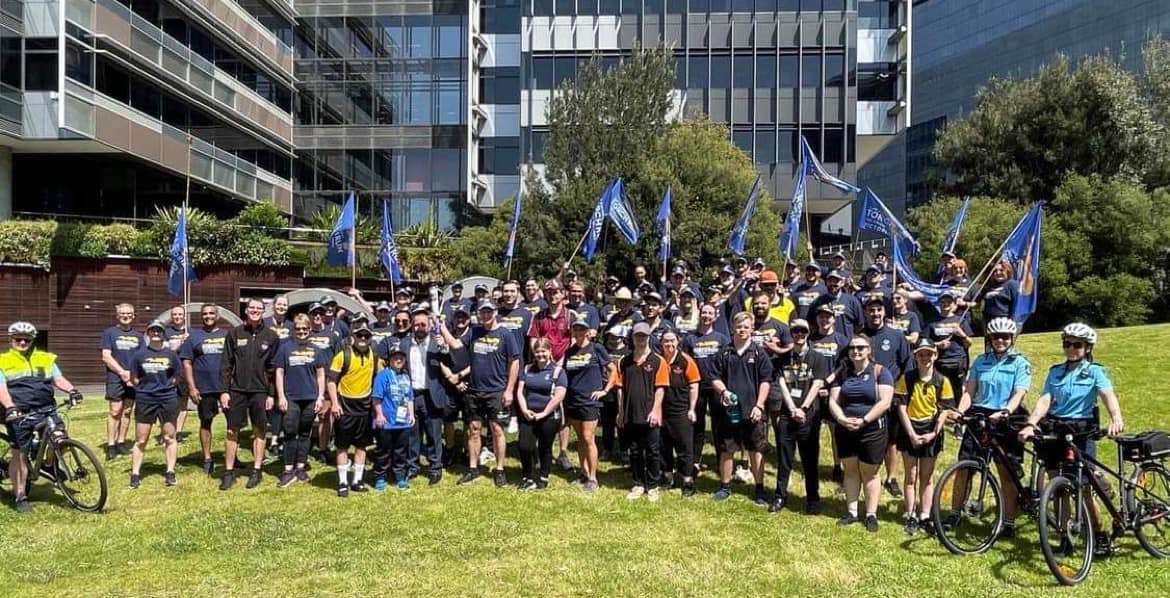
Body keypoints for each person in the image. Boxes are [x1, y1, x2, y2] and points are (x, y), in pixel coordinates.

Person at [1019, 323, 1124, 556]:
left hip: (1081, 432)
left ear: (1087, 348)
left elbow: (1108, 395)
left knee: (1084, 488)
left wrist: (1116, 418)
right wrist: (1030, 423)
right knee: (1058, 488)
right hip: (1056, 430)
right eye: (1067, 344)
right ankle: (1064, 536)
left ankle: (1099, 535)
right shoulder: (1055, 371)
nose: (1071, 349)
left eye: (1077, 345)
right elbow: (1045, 400)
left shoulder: (1095, 371)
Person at [948, 317, 1032, 538]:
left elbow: (1019, 392)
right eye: (996, 336)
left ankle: (1008, 522)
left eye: (1005, 337)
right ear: (990, 338)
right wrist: (959, 411)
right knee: (964, 468)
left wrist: (1006, 411)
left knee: (1006, 472)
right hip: (979, 415)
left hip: (1006, 418)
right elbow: (969, 391)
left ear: (1012, 339)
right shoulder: (980, 361)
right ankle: (955, 513)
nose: (1000, 340)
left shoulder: (1020, 363)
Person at [0, 322, 83, 513]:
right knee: (19, 455)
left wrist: (72, 390)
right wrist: (10, 407)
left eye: (26, 339)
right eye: (18, 339)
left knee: (62, 440)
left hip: (47, 408)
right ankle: (20, 496)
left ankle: (48, 464)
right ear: (10, 339)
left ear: (32, 339)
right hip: (20, 413)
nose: (22, 342)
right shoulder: (3, 360)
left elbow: (58, 378)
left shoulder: (45, 358)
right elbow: (2, 388)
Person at [438, 300, 520, 488]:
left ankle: (499, 470)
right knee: (473, 430)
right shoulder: (474, 331)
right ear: (479, 314)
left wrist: (509, 390)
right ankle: (473, 468)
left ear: (495, 312)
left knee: (497, 431)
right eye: (483, 312)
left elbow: (514, 362)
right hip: (474, 392)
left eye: (489, 311)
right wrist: (441, 325)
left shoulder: (505, 334)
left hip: (496, 391)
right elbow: (456, 345)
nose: (486, 315)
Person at [828, 335, 894, 532]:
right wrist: (841, 419)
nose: (856, 351)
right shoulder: (842, 374)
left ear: (869, 350)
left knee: (870, 472)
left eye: (861, 347)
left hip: (872, 430)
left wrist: (865, 420)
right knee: (850, 470)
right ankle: (852, 511)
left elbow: (885, 401)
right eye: (852, 348)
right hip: (846, 429)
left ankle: (871, 514)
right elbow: (833, 401)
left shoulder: (881, 372)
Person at [709, 312, 773, 504]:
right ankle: (725, 487)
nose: (742, 330)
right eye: (739, 326)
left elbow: (766, 381)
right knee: (727, 449)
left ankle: (759, 489)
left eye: (746, 326)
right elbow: (714, 377)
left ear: (752, 329)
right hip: (729, 412)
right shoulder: (724, 352)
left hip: (752, 411)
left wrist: (759, 405)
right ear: (732, 328)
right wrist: (724, 392)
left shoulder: (758, 353)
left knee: (755, 450)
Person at [218, 298, 280, 491]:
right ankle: (228, 473)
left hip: (260, 392)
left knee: (259, 430)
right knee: (231, 430)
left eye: (259, 308)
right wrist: (224, 391)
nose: (255, 311)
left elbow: (273, 368)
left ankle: (256, 470)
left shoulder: (271, 336)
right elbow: (226, 365)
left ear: (264, 311)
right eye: (252, 308)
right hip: (237, 390)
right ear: (246, 310)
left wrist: (271, 394)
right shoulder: (235, 334)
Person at [769, 318, 830, 514]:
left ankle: (813, 499)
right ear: (792, 334)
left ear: (808, 333)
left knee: (809, 460)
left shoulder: (818, 358)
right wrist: (792, 409)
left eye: (803, 331)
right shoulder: (782, 359)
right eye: (795, 332)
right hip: (788, 415)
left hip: (809, 416)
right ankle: (780, 496)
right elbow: (782, 385)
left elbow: (817, 384)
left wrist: (803, 408)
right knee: (784, 458)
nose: (799, 335)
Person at [894, 339, 954, 536]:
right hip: (910, 428)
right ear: (915, 356)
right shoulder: (907, 378)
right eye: (921, 354)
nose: (925, 358)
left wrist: (934, 433)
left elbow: (945, 408)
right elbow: (901, 406)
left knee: (926, 477)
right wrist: (911, 433)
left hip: (931, 430)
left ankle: (925, 515)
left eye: (929, 354)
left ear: (935, 355)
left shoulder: (942, 381)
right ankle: (911, 514)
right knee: (910, 476)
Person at [860, 297, 912, 499]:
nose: (875, 314)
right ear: (866, 312)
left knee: (891, 441)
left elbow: (907, 365)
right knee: (864, 439)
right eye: (871, 310)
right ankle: (863, 477)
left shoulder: (897, 336)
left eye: (879, 310)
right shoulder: (861, 337)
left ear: (884, 312)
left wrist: (897, 391)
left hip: (890, 398)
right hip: (864, 397)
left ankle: (891, 479)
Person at [562, 313, 615, 492]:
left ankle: (593, 477)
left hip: (590, 401)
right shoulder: (569, 352)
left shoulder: (596, 348)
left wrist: (605, 390)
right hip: (573, 400)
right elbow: (563, 374)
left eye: (581, 329)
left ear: (587, 332)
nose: (578, 331)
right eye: (575, 328)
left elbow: (612, 369)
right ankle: (584, 472)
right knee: (580, 439)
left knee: (588, 438)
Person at [326, 321, 380, 497]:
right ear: (353, 337)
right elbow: (331, 381)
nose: (363, 338)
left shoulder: (375, 356)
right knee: (342, 447)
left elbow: (379, 379)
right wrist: (334, 403)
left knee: (362, 446)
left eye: (366, 336)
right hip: (345, 407)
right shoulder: (343, 355)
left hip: (364, 408)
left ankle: (357, 480)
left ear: (370, 338)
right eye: (359, 335)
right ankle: (342, 481)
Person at [274, 314, 327, 487]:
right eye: (298, 329)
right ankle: (288, 469)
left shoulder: (316, 350)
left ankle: (301, 467)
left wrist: (320, 397)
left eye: (305, 329)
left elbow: (320, 374)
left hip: (311, 398)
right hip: (291, 398)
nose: (301, 332)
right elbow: (279, 373)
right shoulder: (285, 348)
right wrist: (281, 396)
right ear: (294, 330)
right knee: (290, 432)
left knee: (305, 433)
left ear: (309, 329)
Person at [127, 322, 182, 488]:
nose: (156, 333)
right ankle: (135, 474)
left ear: (163, 334)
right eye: (153, 330)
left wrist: (164, 388)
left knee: (169, 437)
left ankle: (170, 472)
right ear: (148, 333)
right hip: (145, 399)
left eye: (159, 330)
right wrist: (145, 389)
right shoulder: (139, 355)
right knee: (141, 439)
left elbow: (177, 377)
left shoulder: (171, 355)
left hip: (167, 399)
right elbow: (134, 378)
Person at [615, 323, 665, 502]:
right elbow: (620, 388)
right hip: (630, 413)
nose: (641, 339)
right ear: (633, 338)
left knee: (652, 451)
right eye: (638, 336)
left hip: (650, 414)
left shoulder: (658, 361)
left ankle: (652, 486)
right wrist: (621, 412)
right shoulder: (624, 361)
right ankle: (637, 484)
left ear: (649, 337)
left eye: (644, 336)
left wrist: (656, 411)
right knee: (634, 451)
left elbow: (660, 389)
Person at [399, 309, 448, 485]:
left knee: (434, 434)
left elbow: (452, 360)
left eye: (423, 324)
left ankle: (435, 468)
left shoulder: (437, 343)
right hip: (412, 395)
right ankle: (413, 467)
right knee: (412, 434)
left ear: (429, 326)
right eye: (416, 324)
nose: (419, 327)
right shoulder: (405, 344)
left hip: (431, 394)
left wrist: (445, 347)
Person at [179, 304, 228, 476]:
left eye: (211, 313)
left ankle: (231, 456)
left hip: (226, 387)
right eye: (205, 314)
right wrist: (192, 387)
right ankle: (207, 458)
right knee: (206, 422)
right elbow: (186, 362)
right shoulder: (194, 336)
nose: (208, 316)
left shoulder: (227, 335)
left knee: (233, 424)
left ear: (218, 315)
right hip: (204, 387)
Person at [683, 303, 730, 479]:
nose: (707, 316)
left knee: (719, 426)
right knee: (697, 426)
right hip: (697, 388)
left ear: (715, 316)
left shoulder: (722, 339)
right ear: (699, 315)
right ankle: (694, 462)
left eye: (710, 313)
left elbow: (726, 364)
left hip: (717, 388)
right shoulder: (690, 339)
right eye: (704, 313)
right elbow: (685, 363)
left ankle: (721, 462)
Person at [515, 338, 567, 490]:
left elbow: (559, 396)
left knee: (545, 447)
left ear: (550, 352)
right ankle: (527, 477)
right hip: (528, 414)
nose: (540, 355)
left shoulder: (558, 371)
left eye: (544, 351)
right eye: (537, 352)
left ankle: (544, 476)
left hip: (549, 416)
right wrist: (524, 410)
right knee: (524, 446)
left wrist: (543, 413)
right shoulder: (527, 369)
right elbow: (519, 391)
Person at [657, 331, 701, 496]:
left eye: (672, 340)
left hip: (681, 409)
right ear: (661, 342)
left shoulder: (686, 360)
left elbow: (694, 385)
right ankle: (667, 477)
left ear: (678, 341)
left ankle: (688, 480)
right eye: (665, 340)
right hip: (662, 410)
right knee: (663, 445)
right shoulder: (659, 360)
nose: (669, 343)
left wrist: (691, 409)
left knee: (684, 446)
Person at [100, 303, 142, 460]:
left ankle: (121, 442)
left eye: (129, 314)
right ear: (117, 315)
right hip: (115, 377)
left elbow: (141, 358)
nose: (126, 316)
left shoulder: (139, 336)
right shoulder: (109, 333)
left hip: (132, 379)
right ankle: (110, 445)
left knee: (127, 411)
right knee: (115, 411)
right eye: (123, 313)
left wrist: (133, 376)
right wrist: (122, 372)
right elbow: (106, 356)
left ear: (133, 316)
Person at [371, 343, 415, 491]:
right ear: (389, 360)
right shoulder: (382, 376)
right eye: (395, 357)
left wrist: (412, 414)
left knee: (401, 451)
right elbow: (377, 398)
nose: (398, 360)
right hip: (387, 421)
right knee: (383, 451)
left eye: (401, 357)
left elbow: (409, 397)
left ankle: (400, 477)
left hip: (403, 422)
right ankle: (380, 477)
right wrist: (379, 415)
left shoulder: (406, 376)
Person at [926, 290, 974, 405]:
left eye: (949, 301)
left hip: (958, 361)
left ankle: (959, 413)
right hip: (940, 362)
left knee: (959, 390)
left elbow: (969, 343)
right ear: (939, 303)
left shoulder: (961, 320)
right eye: (943, 301)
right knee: (941, 389)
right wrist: (938, 344)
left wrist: (962, 334)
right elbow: (924, 341)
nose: (946, 304)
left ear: (954, 304)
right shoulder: (932, 322)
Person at [162, 306, 192, 445]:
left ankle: (178, 431)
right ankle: (167, 431)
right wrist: (180, 341)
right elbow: (167, 349)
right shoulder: (166, 332)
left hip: (185, 371)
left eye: (180, 314)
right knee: (168, 403)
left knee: (183, 403)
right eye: (175, 314)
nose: (178, 317)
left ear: (184, 316)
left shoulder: (190, 332)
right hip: (169, 371)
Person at [599, 324, 629, 463]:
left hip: (623, 390)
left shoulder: (628, 352)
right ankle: (607, 448)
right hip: (607, 389)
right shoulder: (604, 350)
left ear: (622, 337)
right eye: (610, 336)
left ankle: (624, 449)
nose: (612, 339)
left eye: (615, 337)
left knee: (622, 421)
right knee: (607, 421)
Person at [810, 270, 863, 338]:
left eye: (836, 281)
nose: (832, 284)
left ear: (842, 283)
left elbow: (860, 325)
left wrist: (849, 336)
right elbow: (811, 323)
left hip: (846, 345)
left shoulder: (852, 300)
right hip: (824, 344)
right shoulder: (818, 301)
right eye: (830, 281)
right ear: (826, 282)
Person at [978, 260, 1021, 327]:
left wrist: (1012, 322)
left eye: (1001, 270)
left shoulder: (1012, 284)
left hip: (1005, 321)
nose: (998, 273)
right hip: (988, 321)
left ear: (1007, 271)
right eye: (995, 271)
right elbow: (978, 300)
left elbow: (1016, 305)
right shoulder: (988, 286)